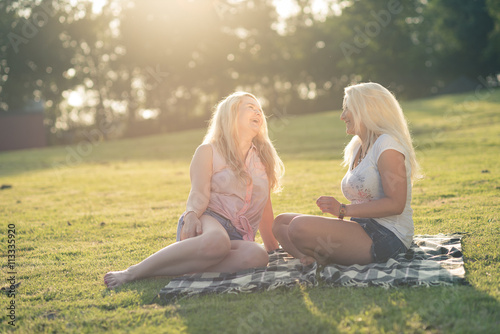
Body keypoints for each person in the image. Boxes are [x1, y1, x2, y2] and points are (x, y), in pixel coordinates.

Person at [105, 92, 284, 288]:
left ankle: (186, 266)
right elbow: (199, 193)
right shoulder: (208, 151)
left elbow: (264, 205)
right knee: (218, 241)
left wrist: (273, 249)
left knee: (257, 256)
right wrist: (191, 216)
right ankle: (134, 272)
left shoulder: (263, 158)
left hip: (238, 237)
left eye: (259, 109)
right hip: (207, 221)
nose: (258, 111)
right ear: (231, 114)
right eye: (250, 107)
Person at [273, 82, 421, 266]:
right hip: (360, 227)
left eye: (347, 109)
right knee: (280, 223)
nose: (342, 117)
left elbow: (396, 204)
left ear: (366, 110)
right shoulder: (358, 146)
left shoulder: (387, 145)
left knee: (298, 226)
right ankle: (308, 259)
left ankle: (320, 257)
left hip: (386, 236)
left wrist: (343, 210)